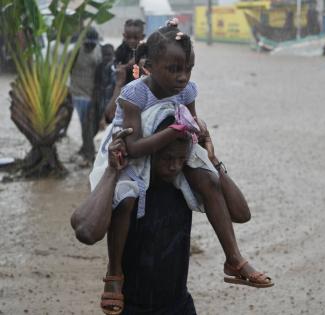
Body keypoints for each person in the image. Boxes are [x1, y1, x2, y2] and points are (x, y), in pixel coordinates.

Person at [90, 19, 273, 314]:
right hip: (131, 151)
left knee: (209, 182)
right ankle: (114, 274)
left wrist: (202, 145)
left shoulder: (187, 91)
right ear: (149, 65)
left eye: (187, 69)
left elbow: (190, 126)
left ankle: (234, 258)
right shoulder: (135, 93)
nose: (182, 77)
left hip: (173, 144)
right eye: (173, 69)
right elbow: (134, 147)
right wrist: (173, 132)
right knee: (124, 202)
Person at [71, 123, 254, 314]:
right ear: (150, 152)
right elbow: (87, 232)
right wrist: (111, 171)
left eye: (181, 159)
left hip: (178, 304)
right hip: (130, 306)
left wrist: (211, 160)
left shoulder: (186, 185)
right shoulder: (128, 191)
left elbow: (241, 214)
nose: (174, 166)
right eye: (167, 158)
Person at [70, 27, 102, 163]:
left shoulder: (98, 51)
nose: (90, 46)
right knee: (85, 124)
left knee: (91, 124)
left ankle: (86, 148)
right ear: (83, 42)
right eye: (88, 43)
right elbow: (67, 69)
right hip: (77, 94)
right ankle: (89, 152)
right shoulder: (75, 51)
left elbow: (99, 72)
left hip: (91, 94)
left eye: (93, 44)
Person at [104, 19, 146, 123]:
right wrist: (128, 65)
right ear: (124, 35)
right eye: (128, 37)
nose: (132, 40)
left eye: (135, 38)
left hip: (141, 88)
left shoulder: (146, 49)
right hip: (122, 85)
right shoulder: (121, 50)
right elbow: (116, 67)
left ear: (142, 37)